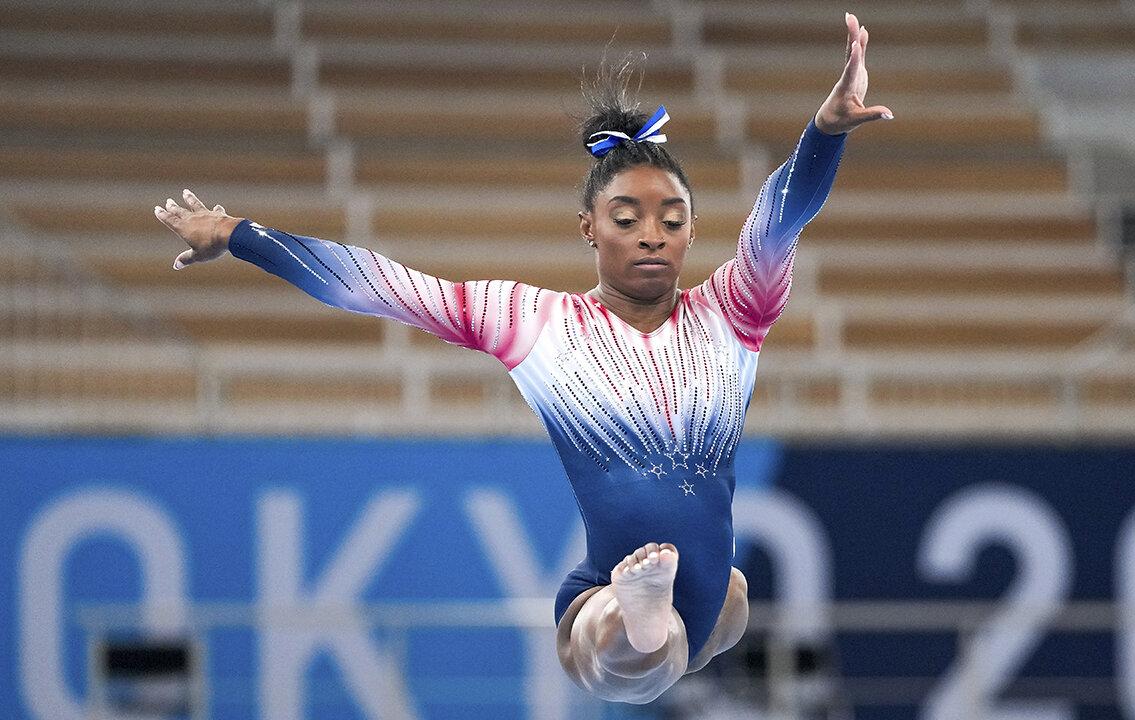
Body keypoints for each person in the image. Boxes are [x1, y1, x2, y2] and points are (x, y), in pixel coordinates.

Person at [155, 12, 891, 704]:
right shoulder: (534, 321)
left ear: (693, 231)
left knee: (727, 605)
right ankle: (639, 619)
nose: (650, 236)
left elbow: (777, 221)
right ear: (588, 228)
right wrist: (240, 234)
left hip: (699, 587)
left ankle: (662, 618)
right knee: (639, 651)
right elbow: (378, 287)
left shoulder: (733, 311)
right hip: (605, 592)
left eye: (672, 221)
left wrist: (825, 131)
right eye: (626, 219)